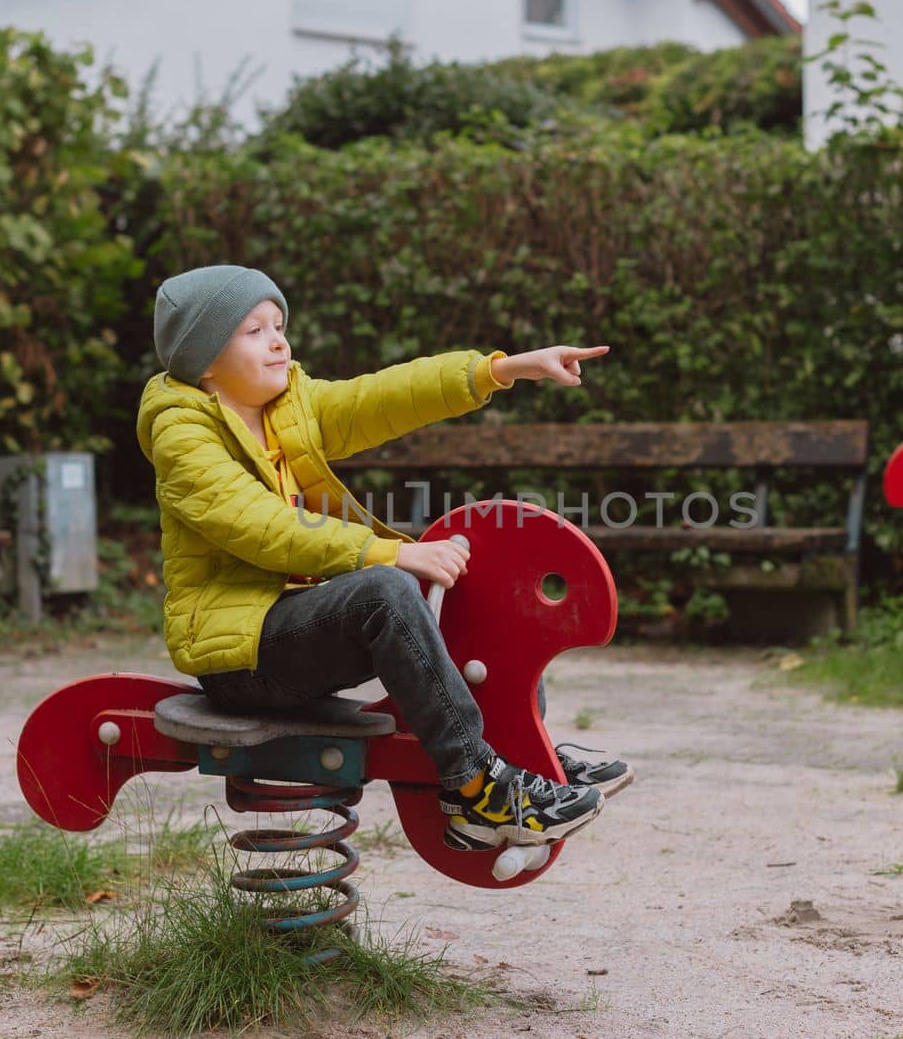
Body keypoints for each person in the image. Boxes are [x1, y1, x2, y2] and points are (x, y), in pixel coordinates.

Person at [136, 265, 631, 850]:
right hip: (241, 655)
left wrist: (501, 369)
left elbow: (383, 396)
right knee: (386, 591)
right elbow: (258, 528)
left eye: (279, 324)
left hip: (295, 625)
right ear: (206, 359)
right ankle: (480, 790)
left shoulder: (286, 407)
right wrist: (386, 552)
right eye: (253, 330)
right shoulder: (181, 434)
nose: (278, 340)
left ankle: (523, 748)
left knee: (456, 586)